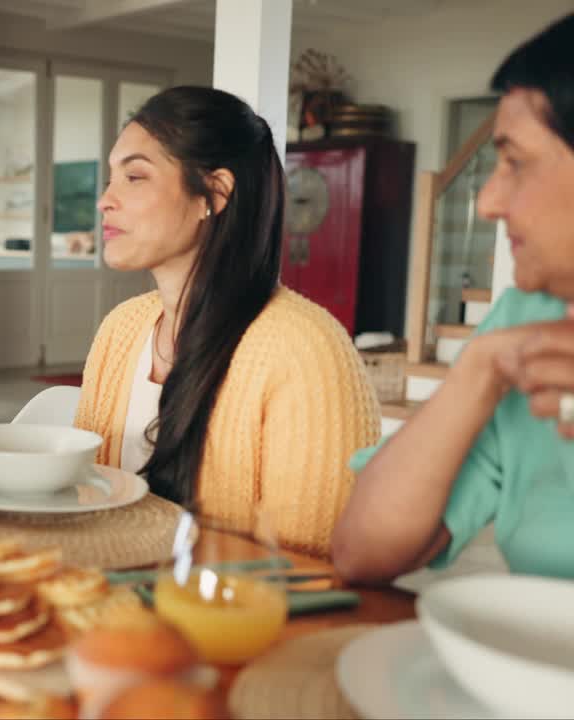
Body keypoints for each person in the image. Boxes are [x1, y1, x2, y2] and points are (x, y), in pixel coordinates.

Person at [74, 86, 379, 557]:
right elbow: (87, 504)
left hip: (228, 622)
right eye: (111, 177)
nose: (105, 201)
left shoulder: (306, 348)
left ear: (212, 195)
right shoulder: (121, 330)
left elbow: (308, 570)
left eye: (134, 177)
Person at [333, 13, 574, 583]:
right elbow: (365, 552)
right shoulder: (525, 321)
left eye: (515, 162)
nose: (488, 202)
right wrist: (481, 369)